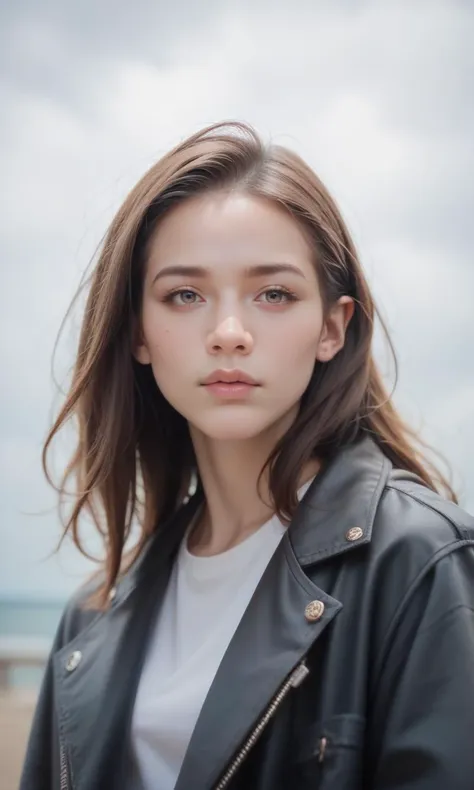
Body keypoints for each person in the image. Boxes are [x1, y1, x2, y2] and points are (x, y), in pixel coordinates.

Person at [20, 121, 474, 790]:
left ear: (331, 327)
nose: (229, 333)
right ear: (138, 332)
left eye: (274, 295)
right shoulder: (95, 615)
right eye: (184, 295)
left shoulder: (420, 564)